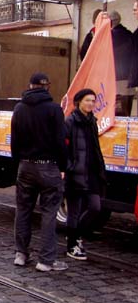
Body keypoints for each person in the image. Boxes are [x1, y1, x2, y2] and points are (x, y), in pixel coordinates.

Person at [11, 72, 68, 272]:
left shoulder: (19, 108)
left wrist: (17, 163)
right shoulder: (54, 109)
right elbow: (61, 141)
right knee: (49, 213)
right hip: (48, 166)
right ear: (47, 87)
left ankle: (21, 253)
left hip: (25, 165)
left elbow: (15, 140)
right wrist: (63, 166)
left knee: (23, 210)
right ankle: (45, 260)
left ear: (30, 85)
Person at [64, 89, 107, 261]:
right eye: (87, 100)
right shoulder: (70, 122)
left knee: (95, 207)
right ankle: (72, 245)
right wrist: (69, 167)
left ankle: (75, 235)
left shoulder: (92, 121)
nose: (91, 104)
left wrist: (100, 169)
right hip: (75, 173)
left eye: (93, 101)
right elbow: (63, 148)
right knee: (73, 211)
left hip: (91, 173)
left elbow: (94, 148)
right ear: (79, 102)